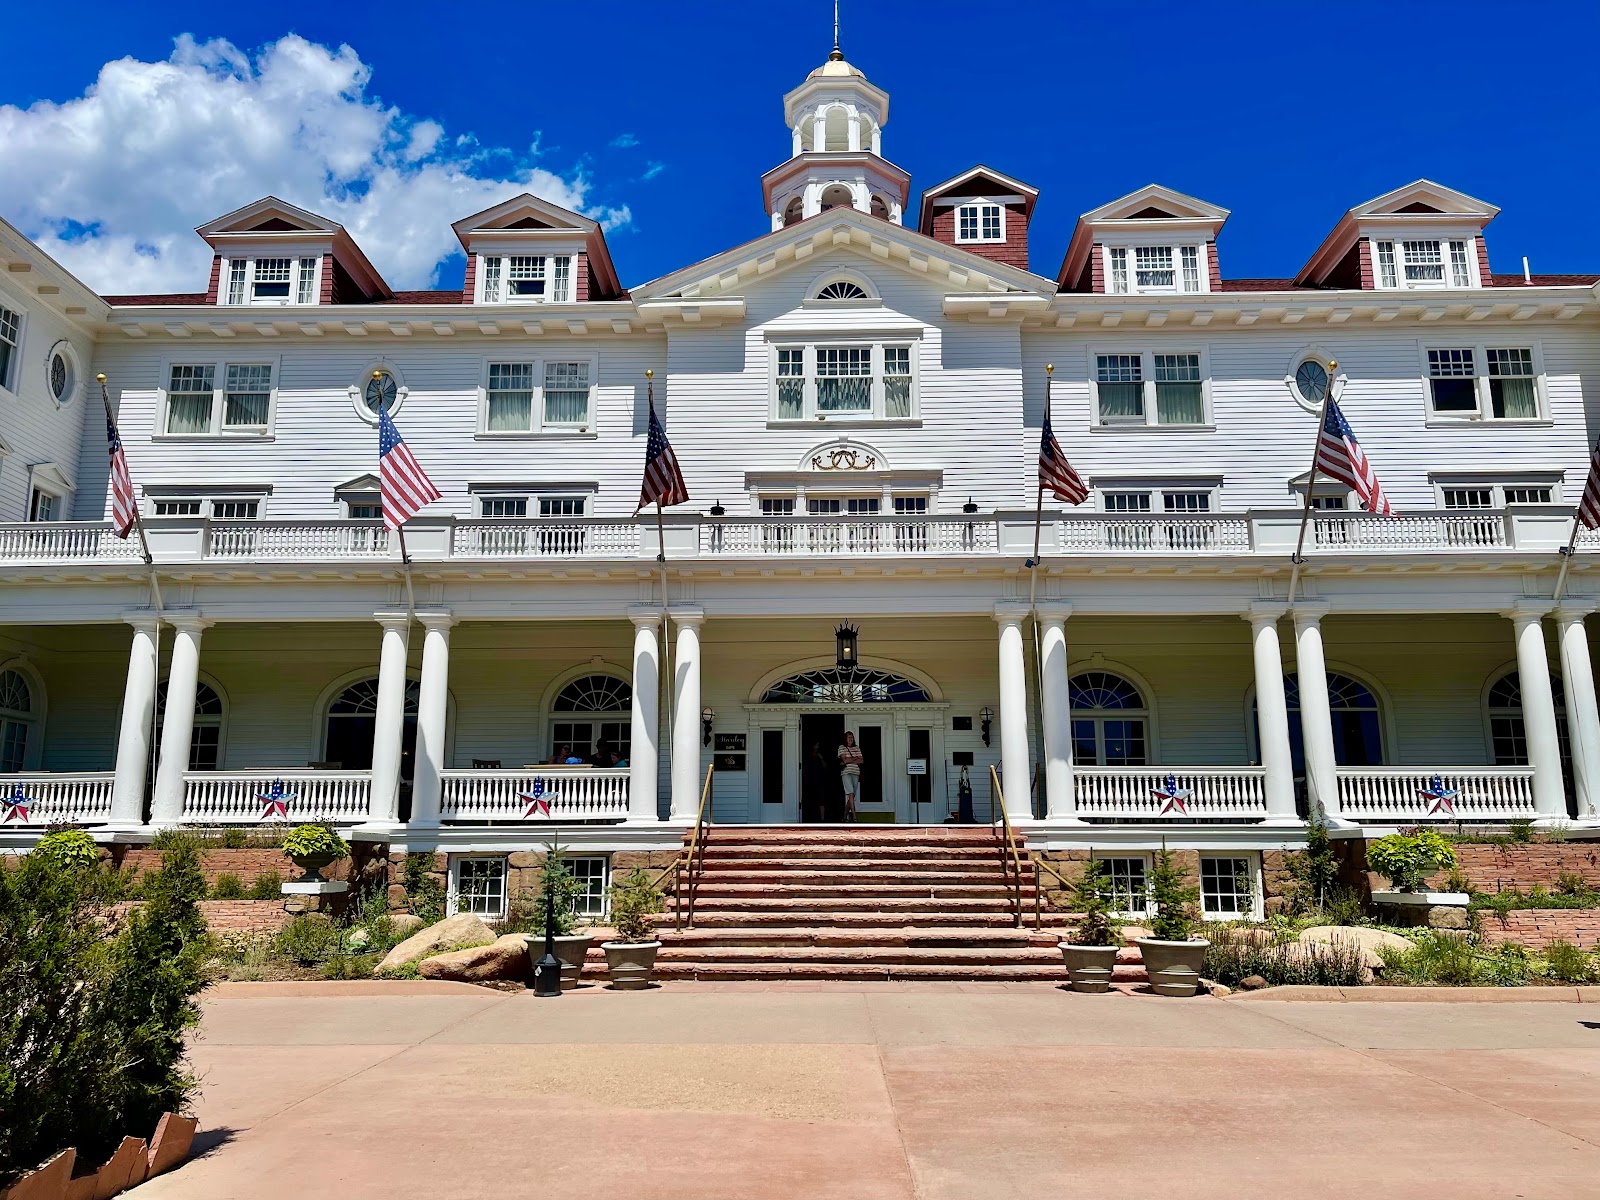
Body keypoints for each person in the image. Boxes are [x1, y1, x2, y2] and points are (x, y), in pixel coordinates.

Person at [837, 730, 863, 822]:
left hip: (856, 772)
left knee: (852, 795)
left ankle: (844, 816)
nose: (851, 739)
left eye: (852, 737)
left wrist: (850, 759)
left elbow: (861, 760)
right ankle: (854, 816)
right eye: (849, 737)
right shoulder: (842, 747)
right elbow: (845, 760)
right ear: (845, 738)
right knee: (851, 793)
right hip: (846, 772)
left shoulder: (857, 748)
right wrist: (855, 758)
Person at [801, 742, 830, 823]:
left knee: (821, 800)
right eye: (816, 744)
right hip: (810, 781)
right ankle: (808, 817)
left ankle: (822, 819)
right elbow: (804, 768)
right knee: (810, 799)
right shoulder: (808, 756)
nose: (817, 746)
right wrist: (805, 778)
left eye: (818, 745)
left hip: (820, 780)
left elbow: (825, 767)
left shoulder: (820, 755)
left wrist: (821, 758)